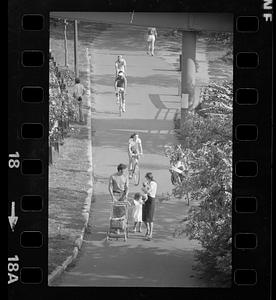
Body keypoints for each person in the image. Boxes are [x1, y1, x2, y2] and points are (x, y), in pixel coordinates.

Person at [142, 172, 157, 240]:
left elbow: (148, 191)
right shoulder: (149, 183)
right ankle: (148, 229)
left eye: (146, 178)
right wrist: (145, 186)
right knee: (144, 217)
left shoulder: (153, 183)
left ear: (148, 177)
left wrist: (144, 187)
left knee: (150, 218)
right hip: (146, 199)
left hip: (151, 200)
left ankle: (150, 233)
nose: (146, 179)